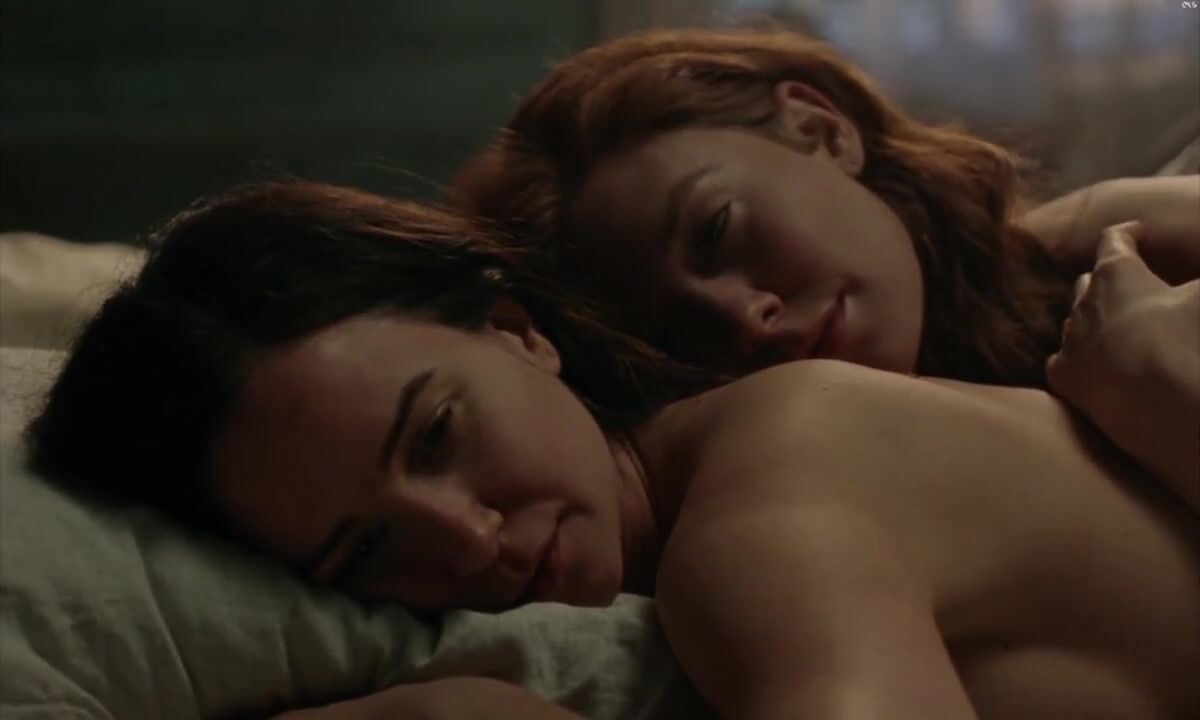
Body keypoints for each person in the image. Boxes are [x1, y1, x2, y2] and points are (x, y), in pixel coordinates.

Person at [29, 182, 1198, 719]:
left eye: (438, 434)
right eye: (366, 551)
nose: (467, 540)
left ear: (518, 333)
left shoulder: (765, 508)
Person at [451, 27, 1199, 501]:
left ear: (820, 130)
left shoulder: (1133, 259)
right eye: (676, 333)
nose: (745, 318)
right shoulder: (816, 522)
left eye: (716, 231)